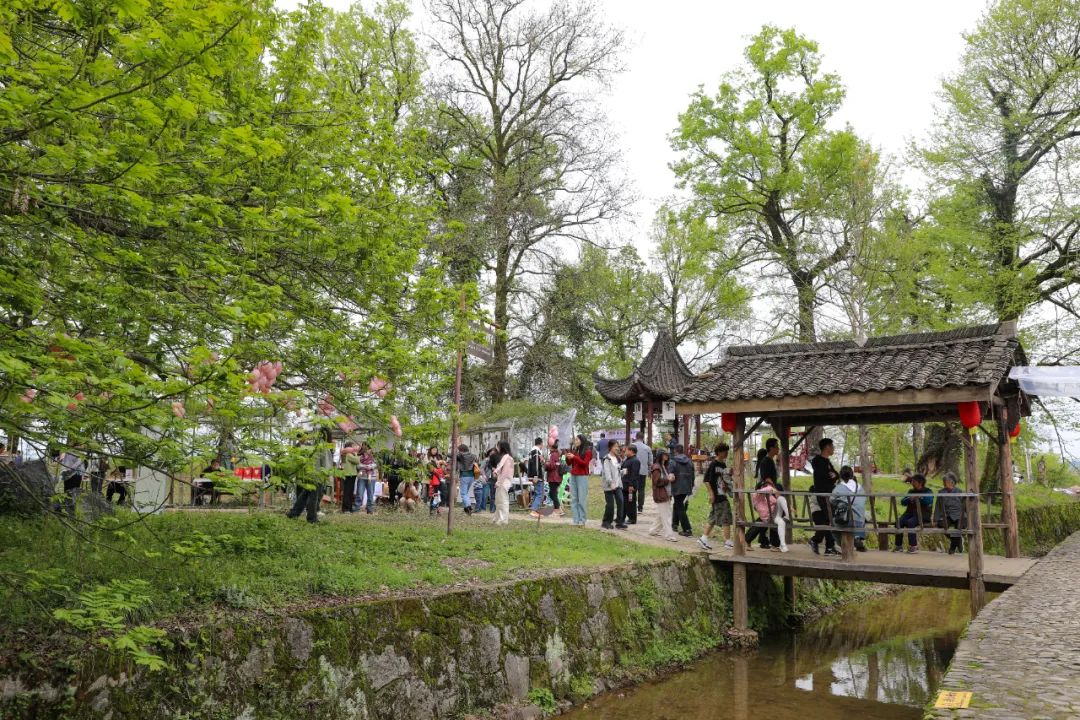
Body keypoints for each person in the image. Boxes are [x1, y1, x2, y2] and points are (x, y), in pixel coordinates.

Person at [286, 429, 332, 524]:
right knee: (314, 497)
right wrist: (327, 476)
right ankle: (312, 518)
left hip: (309, 474)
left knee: (305, 494)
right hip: (318, 475)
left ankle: (294, 513)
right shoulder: (324, 447)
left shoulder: (313, 446)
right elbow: (326, 464)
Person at [808, 438, 840, 556]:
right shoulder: (818, 460)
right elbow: (823, 476)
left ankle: (826, 545)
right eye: (832, 446)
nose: (833, 448)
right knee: (829, 519)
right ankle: (825, 545)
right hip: (822, 494)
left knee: (828, 520)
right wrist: (831, 476)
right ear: (827, 447)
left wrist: (833, 475)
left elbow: (836, 474)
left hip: (829, 494)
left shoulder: (828, 461)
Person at [700, 443, 733, 550]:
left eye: (727, 451)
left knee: (713, 519)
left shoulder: (723, 465)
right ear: (719, 452)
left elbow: (724, 479)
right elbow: (706, 480)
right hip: (718, 496)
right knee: (726, 517)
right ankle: (728, 541)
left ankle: (703, 539)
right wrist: (711, 494)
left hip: (722, 494)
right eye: (725, 451)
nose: (727, 453)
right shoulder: (714, 464)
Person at [747, 475, 789, 552]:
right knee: (775, 522)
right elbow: (766, 489)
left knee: (764, 522)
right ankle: (774, 544)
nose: (767, 488)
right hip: (767, 517)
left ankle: (748, 541)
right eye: (764, 486)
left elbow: (776, 501)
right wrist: (772, 488)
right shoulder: (756, 494)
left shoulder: (768, 496)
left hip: (770, 516)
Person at [831, 465, 867, 552]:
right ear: (852, 475)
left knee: (833, 526)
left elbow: (831, 500)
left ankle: (842, 546)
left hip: (845, 521)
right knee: (859, 515)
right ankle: (858, 537)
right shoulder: (860, 488)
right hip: (860, 522)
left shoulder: (839, 487)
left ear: (841, 476)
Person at [894, 473, 934, 553]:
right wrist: (910, 499)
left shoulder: (928, 491)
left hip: (922, 514)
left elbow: (928, 501)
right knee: (899, 522)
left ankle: (913, 546)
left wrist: (918, 498)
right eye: (912, 481)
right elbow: (903, 501)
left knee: (910, 522)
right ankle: (898, 546)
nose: (912, 483)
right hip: (909, 513)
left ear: (920, 482)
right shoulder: (911, 491)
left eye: (914, 481)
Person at [649, 450, 678, 541]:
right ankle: (669, 535)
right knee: (667, 516)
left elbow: (664, 480)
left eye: (667, 454)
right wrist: (668, 479)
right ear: (660, 455)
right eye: (664, 454)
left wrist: (670, 477)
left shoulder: (663, 466)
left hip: (666, 493)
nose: (666, 456)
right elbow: (657, 482)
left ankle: (653, 530)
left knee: (661, 515)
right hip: (661, 494)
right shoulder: (657, 467)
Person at [564, 434, 593, 526]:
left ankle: (582, 520)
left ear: (582, 441)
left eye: (577, 440)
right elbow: (569, 463)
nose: (575, 441)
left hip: (582, 476)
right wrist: (567, 456)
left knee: (582, 499)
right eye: (575, 440)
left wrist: (574, 457)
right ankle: (575, 520)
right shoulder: (574, 450)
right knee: (574, 499)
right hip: (573, 475)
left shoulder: (588, 451)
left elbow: (584, 464)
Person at [667, 444, 695, 537]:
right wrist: (691, 485)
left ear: (675, 451)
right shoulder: (689, 461)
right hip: (687, 486)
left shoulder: (673, 461)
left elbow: (670, 474)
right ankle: (674, 524)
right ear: (683, 450)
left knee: (679, 507)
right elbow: (693, 475)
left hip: (677, 486)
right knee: (678, 504)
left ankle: (687, 529)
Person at [935, 471, 964, 554]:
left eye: (946, 481)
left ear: (952, 482)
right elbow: (938, 506)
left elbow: (964, 505)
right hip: (946, 515)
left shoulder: (959, 491)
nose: (944, 483)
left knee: (960, 526)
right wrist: (935, 519)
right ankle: (957, 541)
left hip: (958, 515)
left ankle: (952, 547)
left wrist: (966, 516)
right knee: (941, 525)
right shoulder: (941, 492)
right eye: (944, 481)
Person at [600, 440, 627, 530]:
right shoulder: (607, 459)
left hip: (618, 484)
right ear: (610, 447)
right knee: (610, 505)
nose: (617, 448)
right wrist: (611, 482)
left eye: (617, 446)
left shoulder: (617, 458)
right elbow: (607, 473)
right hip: (609, 485)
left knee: (621, 501)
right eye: (615, 446)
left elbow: (617, 471)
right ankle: (606, 522)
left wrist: (623, 471)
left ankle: (619, 522)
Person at [492, 440, 514, 525]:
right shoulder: (505, 457)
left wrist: (499, 482)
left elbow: (505, 472)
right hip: (502, 481)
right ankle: (497, 518)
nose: (497, 448)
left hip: (504, 482)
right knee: (498, 501)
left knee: (503, 501)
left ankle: (503, 519)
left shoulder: (507, 458)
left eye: (498, 446)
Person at [619, 443, 640, 525]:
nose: (625, 451)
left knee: (631, 502)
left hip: (630, 485)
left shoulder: (635, 460)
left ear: (631, 451)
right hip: (624, 484)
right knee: (624, 502)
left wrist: (631, 485)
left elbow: (634, 474)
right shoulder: (627, 459)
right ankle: (622, 517)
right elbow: (624, 470)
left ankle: (632, 518)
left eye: (626, 450)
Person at [354, 443, 378, 514]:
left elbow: (376, 464)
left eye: (367, 448)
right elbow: (357, 466)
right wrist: (364, 466)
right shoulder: (360, 456)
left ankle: (370, 510)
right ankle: (356, 509)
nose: (366, 450)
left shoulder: (374, 456)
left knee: (370, 494)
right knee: (359, 493)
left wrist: (370, 466)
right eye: (364, 448)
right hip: (362, 477)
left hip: (372, 477)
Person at [632, 432, 652, 513]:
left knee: (633, 488)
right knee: (641, 489)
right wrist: (650, 471)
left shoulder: (632, 446)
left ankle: (633, 505)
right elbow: (650, 462)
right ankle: (640, 507)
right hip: (643, 471)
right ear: (643, 438)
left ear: (636, 437)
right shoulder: (647, 448)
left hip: (633, 471)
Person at [526, 437, 546, 518]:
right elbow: (536, 465)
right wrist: (536, 476)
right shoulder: (537, 452)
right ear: (541, 443)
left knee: (537, 493)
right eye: (542, 444)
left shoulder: (531, 451)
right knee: (539, 493)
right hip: (537, 476)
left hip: (532, 475)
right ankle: (534, 511)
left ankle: (535, 509)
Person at [457, 443, 479, 515]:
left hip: (464, 475)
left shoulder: (461, 455)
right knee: (466, 493)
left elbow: (451, 455)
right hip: (472, 476)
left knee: (464, 493)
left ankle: (468, 507)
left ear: (461, 450)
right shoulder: (473, 455)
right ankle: (466, 508)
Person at [544, 440, 564, 516]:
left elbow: (552, 466)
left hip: (553, 477)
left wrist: (545, 463)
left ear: (551, 446)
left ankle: (557, 510)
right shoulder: (557, 453)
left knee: (553, 494)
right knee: (552, 493)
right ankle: (559, 508)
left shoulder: (553, 454)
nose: (547, 446)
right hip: (556, 477)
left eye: (548, 445)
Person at [340, 441, 359, 513]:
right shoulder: (348, 454)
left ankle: (348, 508)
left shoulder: (345, 454)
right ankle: (346, 509)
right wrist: (356, 453)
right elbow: (357, 461)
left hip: (348, 474)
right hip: (349, 474)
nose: (353, 448)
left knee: (348, 492)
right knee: (348, 492)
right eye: (352, 447)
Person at [479, 448, 496, 513]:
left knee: (493, 495)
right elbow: (481, 468)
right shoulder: (486, 460)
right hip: (487, 479)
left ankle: (492, 509)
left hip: (494, 479)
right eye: (491, 452)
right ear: (489, 453)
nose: (493, 454)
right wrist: (484, 475)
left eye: (494, 453)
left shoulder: (497, 460)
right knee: (485, 494)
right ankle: (483, 508)